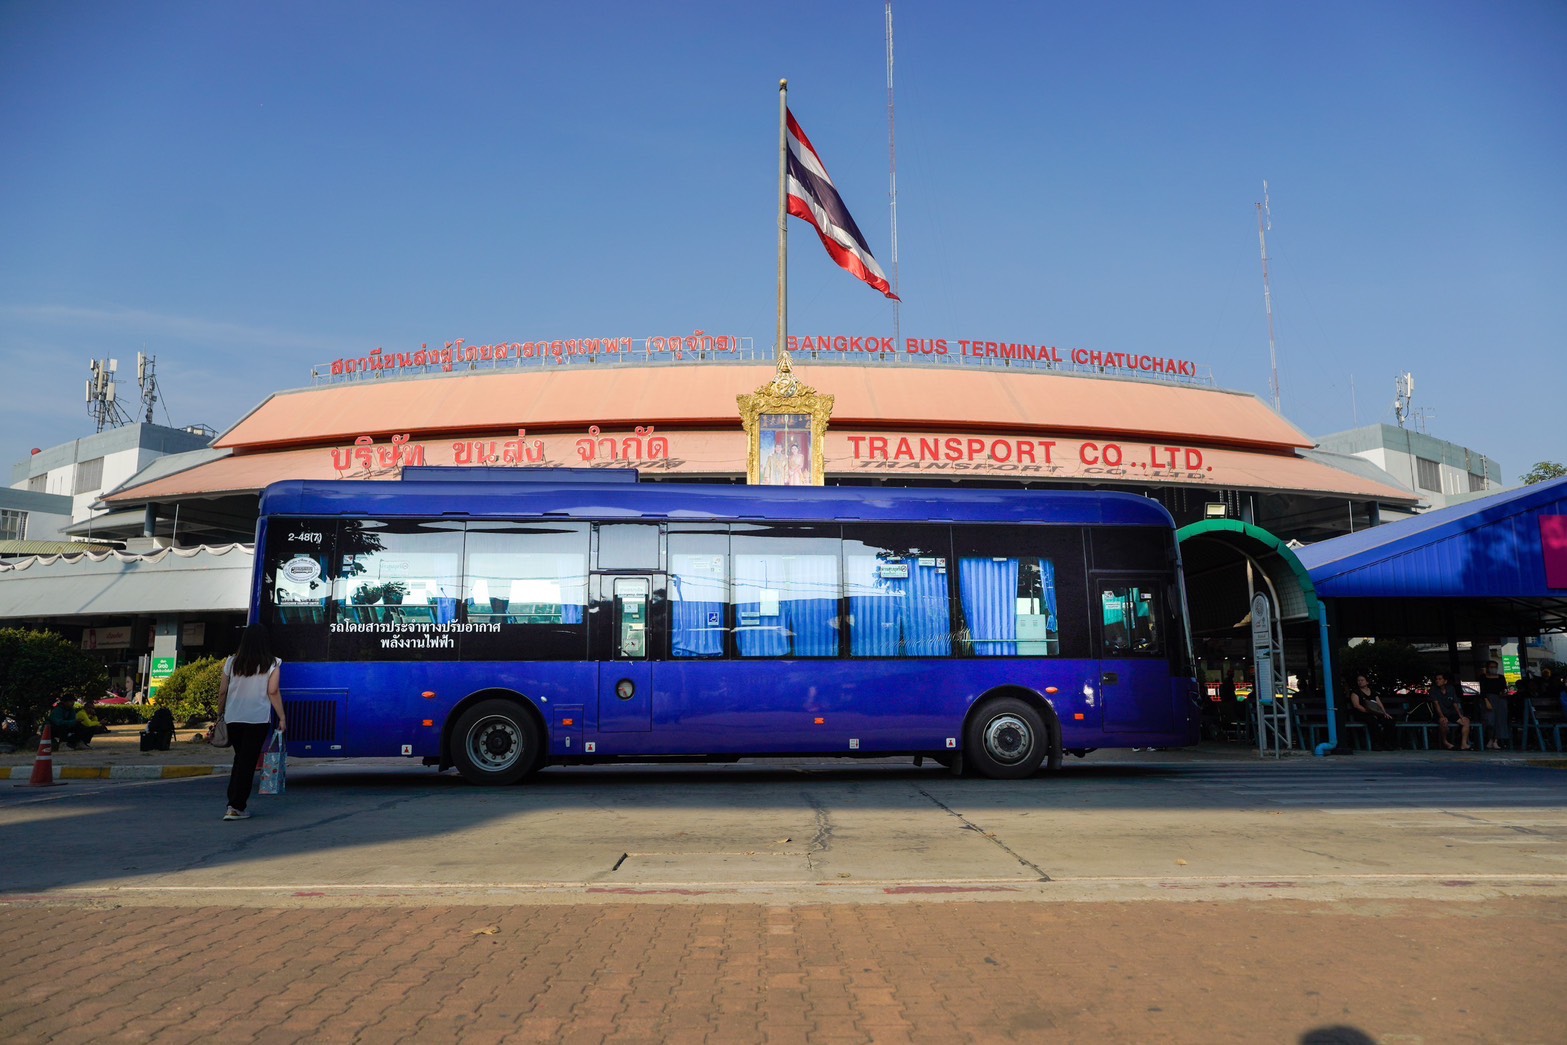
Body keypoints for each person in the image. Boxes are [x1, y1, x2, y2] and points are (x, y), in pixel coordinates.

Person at [216, 624, 286, 821]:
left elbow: (222, 691)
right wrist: (282, 717)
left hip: (233, 718)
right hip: (257, 719)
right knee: (247, 762)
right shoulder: (273, 663)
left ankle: (233, 804)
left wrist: (220, 713)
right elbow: (273, 691)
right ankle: (236, 806)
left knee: (240, 759)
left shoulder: (231, 662)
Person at [1346, 674, 1398, 751]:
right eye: (1358, 680)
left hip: (1375, 712)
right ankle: (1376, 744)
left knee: (1389, 721)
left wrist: (1384, 713)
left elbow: (1379, 704)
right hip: (1363, 714)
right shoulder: (1355, 692)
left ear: (1367, 682)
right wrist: (1369, 712)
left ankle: (1387, 743)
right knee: (1373, 722)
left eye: (1362, 680)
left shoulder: (1373, 692)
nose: (1360, 682)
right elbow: (1356, 705)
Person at [1428, 670, 1470, 751]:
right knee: (1443, 722)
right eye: (1436, 679)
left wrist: (1460, 715)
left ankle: (1464, 744)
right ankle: (1445, 742)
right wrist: (1442, 716)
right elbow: (1436, 705)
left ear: (1445, 681)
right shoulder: (1433, 690)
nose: (1437, 681)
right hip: (1439, 713)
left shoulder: (1451, 689)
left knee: (1466, 721)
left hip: (1451, 713)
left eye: (1440, 679)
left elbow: (1455, 703)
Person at [1478, 660, 1508, 750]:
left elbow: (1504, 688)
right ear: (1487, 668)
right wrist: (1486, 701)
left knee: (1500, 720)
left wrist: (1504, 693)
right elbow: (1482, 690)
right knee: (1489, 720)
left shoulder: (1501, 677)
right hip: (1488, 699)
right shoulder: (1483, 677)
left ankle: (1496, 740)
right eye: (1491, 667)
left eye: (1495, 667)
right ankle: (1490, 738)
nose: (1493, 669)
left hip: (1500, 700)